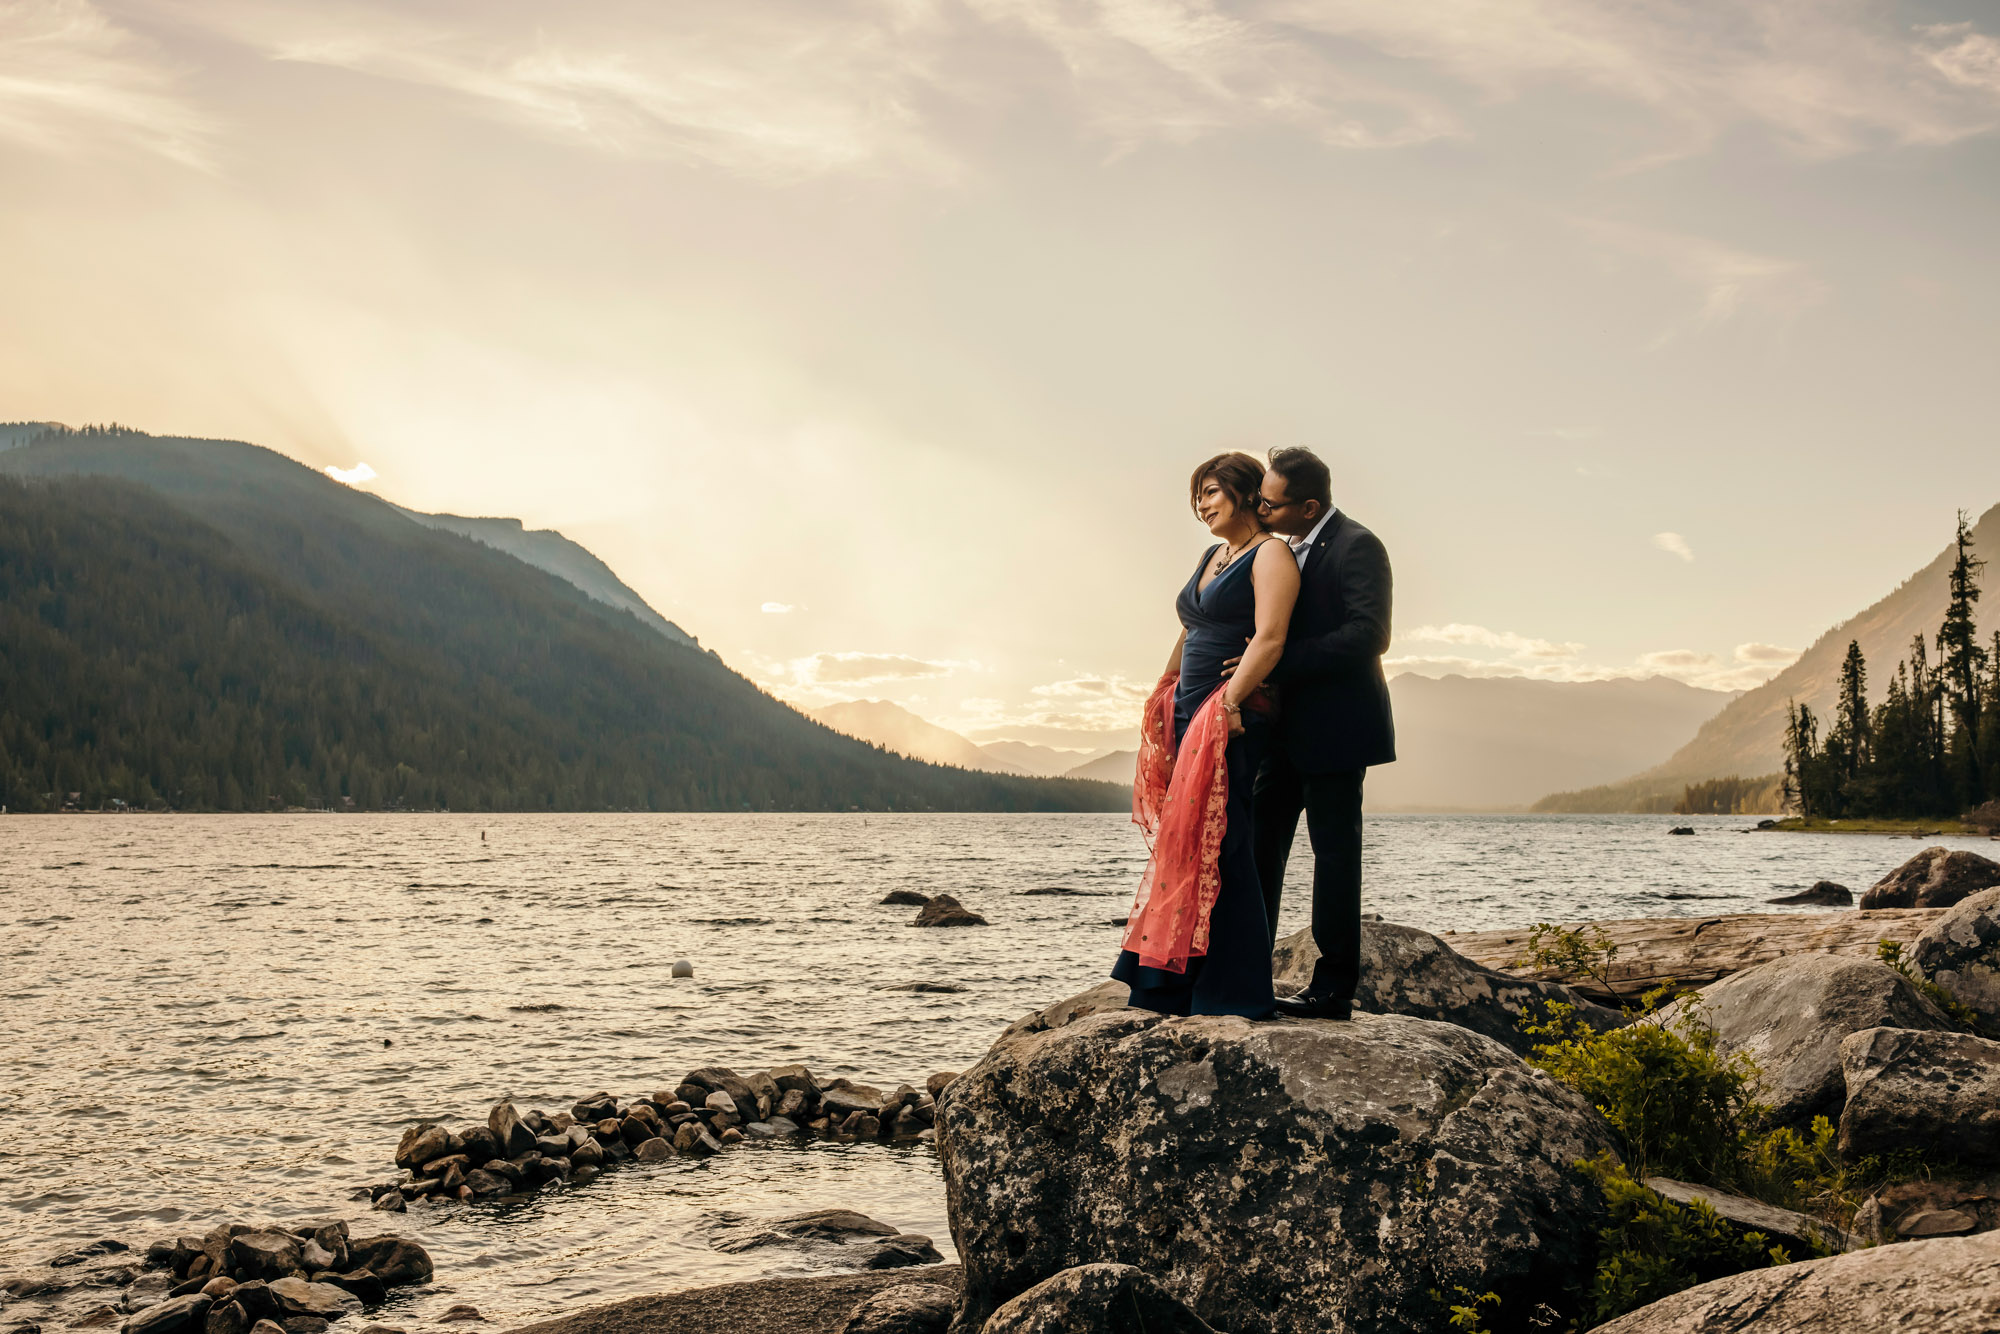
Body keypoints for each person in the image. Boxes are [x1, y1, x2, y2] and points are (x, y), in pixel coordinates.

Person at [1111, 452, 1299, 1019]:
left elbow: (1270, 639)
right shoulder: (1213, 555)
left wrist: (1234, 702)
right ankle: (1172, 984)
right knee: (1190, 844)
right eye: (1197, 496)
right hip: (1189, 711)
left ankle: (1234, 992)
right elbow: (1189, 629)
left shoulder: (1272, 554)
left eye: (1212, 491)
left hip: (1235, 715)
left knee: (1226, 844)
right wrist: (1161, 693)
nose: (1201, 504)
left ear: (1245, 492)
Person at [1236, 446, 1395, 1021]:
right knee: (1259, 851)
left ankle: (1332, 991)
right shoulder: (1278, 549)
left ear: (1308, 507)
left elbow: (1368, 635)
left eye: (1269, 503)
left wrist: (1279, 661)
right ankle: (1245, 973)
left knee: (1333, 859)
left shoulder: (1358, 546)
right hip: (1281, 732)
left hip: (1337, 731)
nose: (1260, 509)